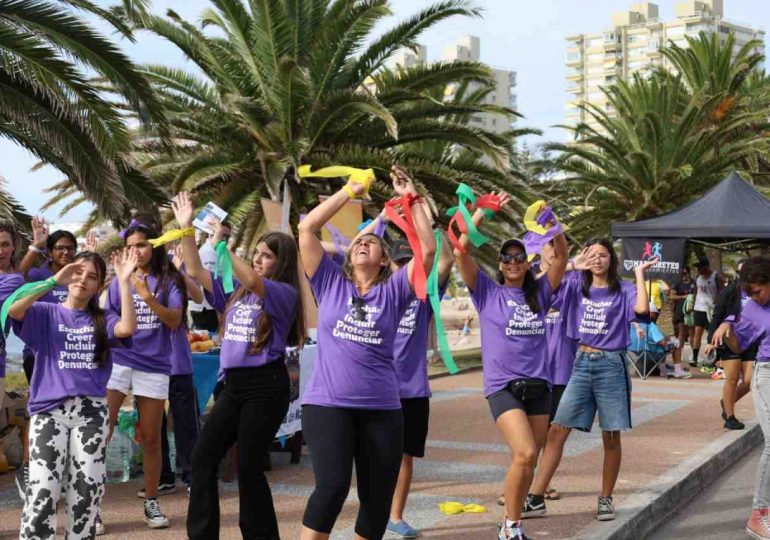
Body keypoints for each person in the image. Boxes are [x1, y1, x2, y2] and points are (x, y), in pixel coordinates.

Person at [297, 166, 435, 540]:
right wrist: (349, 190)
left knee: (376, 500)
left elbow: (428, 249)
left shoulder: (394, 292)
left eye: (372, 242)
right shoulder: (328, 282)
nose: (363, 243)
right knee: (332, 488)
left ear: (384, 260)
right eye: (358, 240)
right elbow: (307, 228)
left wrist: (413, 200)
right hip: (328, 404)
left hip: (382, 409)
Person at [173, 192, 306, 539]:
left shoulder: (282, 293)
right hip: (233, 386)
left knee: (249, 466)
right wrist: (189, 229)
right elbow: (197, 271)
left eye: (267, 256)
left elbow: (252, 280)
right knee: (203, 458)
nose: (259, 259)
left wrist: (224, 245)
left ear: (282, 263)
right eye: (257, 254)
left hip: (265, 386)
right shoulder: (235, 292)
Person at [454, 196, 568, 540]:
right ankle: (511, 525)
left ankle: (511, 522)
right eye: (508, 257)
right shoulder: (487, 292)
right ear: (500, 264)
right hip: (503, 386)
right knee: (526, 452)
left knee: (527, 463)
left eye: (520, 257)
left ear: (527, 261)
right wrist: (483, 211)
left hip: (539, 386)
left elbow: (560, 256)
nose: (514, 262)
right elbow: (461, 250)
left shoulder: (541, 293)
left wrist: (552, 223)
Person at [11, 250, 137, 539]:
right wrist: (52, 281)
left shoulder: (104, 319)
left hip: (91, 414)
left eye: (92, 277)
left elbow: (128, 328)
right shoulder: (46, 312)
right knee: (44, 490)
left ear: (98, 286)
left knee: (86, 491)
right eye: (78, 272)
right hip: (49, 412)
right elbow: (15, 311)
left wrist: (125, 282)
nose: (83, 280)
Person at [531, 239, 654, 522]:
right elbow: (538, 291)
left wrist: (638, 275)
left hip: (611, 365)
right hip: (581, 363)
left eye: (603, 254)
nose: (597, 259)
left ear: (612, 259)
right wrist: (572, 264)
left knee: (611, 435)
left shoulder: (622, 289)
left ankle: (606, 498)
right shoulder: (574, 283)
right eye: (592, 254)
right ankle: (535, 497)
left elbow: (642, 312)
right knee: (557, 431)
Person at [104, 219, 186, 529]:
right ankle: (90, 501)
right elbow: (109, 316)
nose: (135, 251)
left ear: (154, 245)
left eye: (141, 245)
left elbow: (175, 322)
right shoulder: (117, 281)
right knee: (101, 431)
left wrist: (147, 296)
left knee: (152, 438)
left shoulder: (169, 281)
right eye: (129, 247)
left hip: (153, 365)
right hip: (120, 360)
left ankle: (151, 502)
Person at [386, 233, 453, 537]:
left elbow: (448, 260)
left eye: (409, 262)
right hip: (378, 390)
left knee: (404, 456)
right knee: (371, 455)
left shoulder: (424, 296)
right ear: (389, 264)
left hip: (412, 390)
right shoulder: (379, 293)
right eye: (399, 262)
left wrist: (439, 233)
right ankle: (373, 511)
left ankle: (395, 516)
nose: (404, 268)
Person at [14, 218, 81, 499]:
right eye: (60, 248)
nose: (66, 253)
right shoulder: (39, 276)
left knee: (68, 412)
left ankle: (62, 473)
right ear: (51, 252)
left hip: (71, 358)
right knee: (39, 408)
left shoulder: (78, 277)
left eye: (70, 248)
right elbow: (18, 274)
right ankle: (31, 468)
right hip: (38, 354)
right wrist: (36, 244)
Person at [710, 257, 770, 539]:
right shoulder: (754, 311)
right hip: (766, 375)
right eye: (752, 293)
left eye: (758, 291)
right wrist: (728, 328)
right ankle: (759, 515)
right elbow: (739, 345)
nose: (755, 297)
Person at [707, 260, 754, 430]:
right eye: (742, 271)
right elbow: (717, 315)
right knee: (732, 379)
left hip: (751, 341)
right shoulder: (729, 291)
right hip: (729, 338)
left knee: (749, 381)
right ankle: (730, 416)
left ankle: (726, 402)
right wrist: (711, 341)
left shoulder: (757, 291)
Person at [189, 222, 231, 332]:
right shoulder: (207, 252)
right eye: (222, 234)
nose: (224, 239)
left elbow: (227, 282)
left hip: (219, 307)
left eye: (227, 236)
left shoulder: (223, 253)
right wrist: (220, 312)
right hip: (206, 308)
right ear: (211, 233)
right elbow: (210, 284)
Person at [691, 258, 720, 367]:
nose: (698, 270)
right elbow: (695, 292)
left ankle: (712, 356)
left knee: (711, 333)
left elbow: (721, 291)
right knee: (697, 332)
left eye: (700, 267)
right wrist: (692, 304)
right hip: (699, 308)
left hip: (711, 309)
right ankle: (694, 357)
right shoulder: (698, 278)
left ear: (706, 267)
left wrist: (718, 304)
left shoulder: (715, 276)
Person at [669, 267, 696, 378]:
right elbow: (671, 296)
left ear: (689, 273)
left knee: (692, 336)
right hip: (680, 314)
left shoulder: (693, 283)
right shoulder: (677, 283)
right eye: (682, 274)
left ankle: (694, 356)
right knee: (679, 339)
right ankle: (677, 367)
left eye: (685, 273)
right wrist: (683, 297)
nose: (684, 275)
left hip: (690, 314)